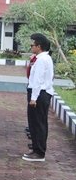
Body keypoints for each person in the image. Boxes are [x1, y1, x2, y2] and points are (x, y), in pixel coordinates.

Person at [23, 33, 54, 162]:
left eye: (32, 45)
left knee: (38, 124)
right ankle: (36, 147)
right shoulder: (40, 58)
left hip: (40, 93)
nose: (31, 47)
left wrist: (34, 98)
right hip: (39, 93)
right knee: (35, 123)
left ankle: (39, 152)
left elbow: (38, 80)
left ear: (39, 46)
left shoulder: (42, 60)